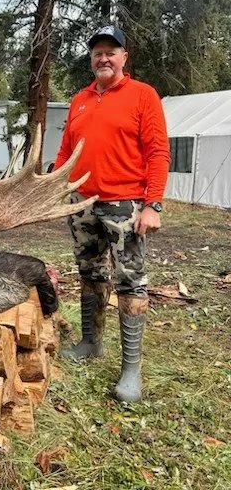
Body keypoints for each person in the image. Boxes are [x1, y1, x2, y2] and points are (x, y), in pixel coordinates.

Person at [54, 26, 170, 402]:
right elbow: (66, 150)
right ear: (91, 59)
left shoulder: (143, 95)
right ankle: (91, 342)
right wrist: (56, 185)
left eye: (111, 51)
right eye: (97, 52)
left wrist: (152, 205)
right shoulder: (80, 99)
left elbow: (158, 152)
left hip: (125, 205)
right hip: (82, 204)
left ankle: (131, 370)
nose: (103, 58)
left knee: (130, 282)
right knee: (90, 273)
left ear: (124, 57)